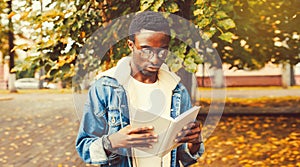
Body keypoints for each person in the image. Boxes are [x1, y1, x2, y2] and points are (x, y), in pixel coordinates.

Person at [76, 11, 204, 167]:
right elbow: (84, 147)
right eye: (146, 50)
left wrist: (194, 142)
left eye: (162, 50)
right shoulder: (105, 88)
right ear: (131, 45)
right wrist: (111, 142)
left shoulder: (177, 90)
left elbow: (184, 158)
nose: (155, 59)